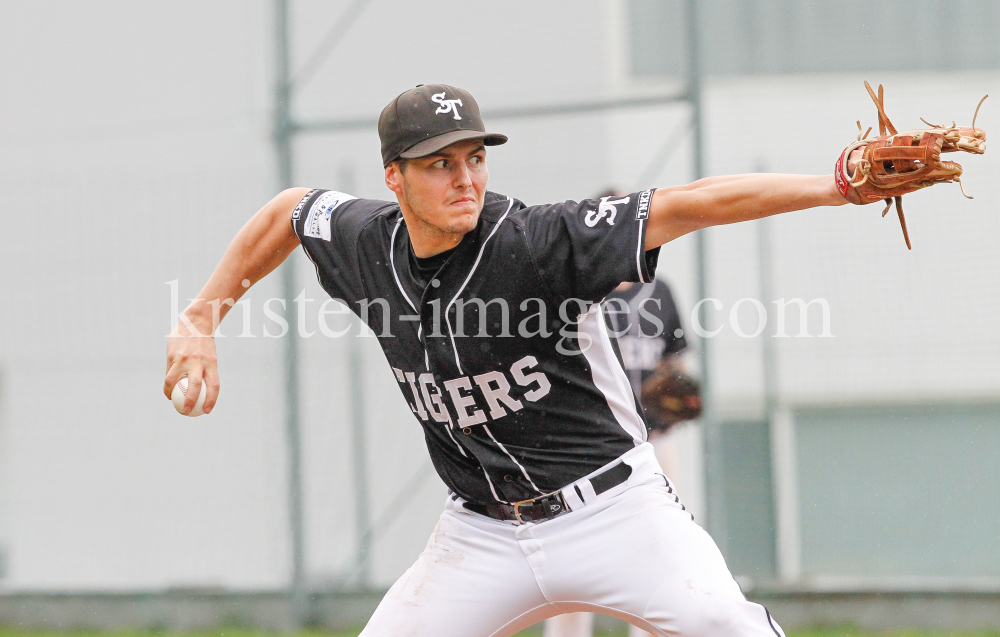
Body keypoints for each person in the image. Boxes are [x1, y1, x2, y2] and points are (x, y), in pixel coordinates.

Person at [164, 83, 852, 636]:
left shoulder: (537, 239)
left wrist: (836, 186)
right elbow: (289, 211)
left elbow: (691, 203)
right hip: (480, 534)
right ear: (394, 178)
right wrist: (202, 314)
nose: (465, 178)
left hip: (613, 510)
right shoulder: (366, 243)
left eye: (475, 157)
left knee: (722, 622)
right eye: (440, 163)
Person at [544, 251, 698, 637]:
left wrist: (677, 390)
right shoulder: (577, 294)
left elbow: (674, 360)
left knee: (659, 553)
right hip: (589, 453)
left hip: (652, 443)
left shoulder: (659, 291)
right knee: (574, 565)